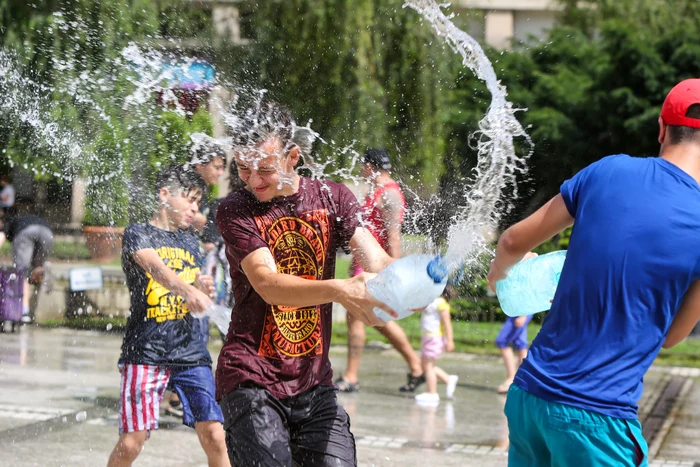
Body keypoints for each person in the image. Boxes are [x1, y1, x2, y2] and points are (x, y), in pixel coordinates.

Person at [486, 78, 700, 466]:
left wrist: (500, 278)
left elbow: (513, 243)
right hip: (598, 419)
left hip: (531, 395)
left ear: (661, 128)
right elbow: (670, 336)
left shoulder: (608, 171)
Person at [215, 100, 398, 466]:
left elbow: (379, 264)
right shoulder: (235, 208)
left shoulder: (333, 198)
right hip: (251, 378)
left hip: (314, 383)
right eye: (243, 168)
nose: (253, 180)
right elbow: (267, 283)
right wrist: (340, 290)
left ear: (292, 156)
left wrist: (436, 273)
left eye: (264, 169)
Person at [107, 165, 229, 467]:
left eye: (198, 202)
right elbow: (157, 270)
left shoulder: (190, 241)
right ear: (164, 195)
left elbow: (192, 287)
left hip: (190, 352)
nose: (195, 208)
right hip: (146, 352)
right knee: (132, 441)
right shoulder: (138, 233)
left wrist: (201, 287)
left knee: (215, 434)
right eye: (190, 199)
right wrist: (188, 290)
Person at [335, 148, 425, 394]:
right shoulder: (377, 192)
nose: (360, 169)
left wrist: (394, 273)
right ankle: (416, 366)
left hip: (375, 266)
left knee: (365, 316)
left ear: (369, 166)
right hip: (364, 263)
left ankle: (352, 376)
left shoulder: (390, 194)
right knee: (371, 318)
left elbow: (394, 237)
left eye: (362, 165)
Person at [165, 142, 227, 419]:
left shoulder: (194, 189)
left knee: (193, 326)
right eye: (217, 166)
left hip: (194, 261)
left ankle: (176, 395)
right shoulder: (183, 183)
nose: (221, 173)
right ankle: (174, 395)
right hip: (183, 263)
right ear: (200, 165)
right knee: (188, 326)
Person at [0, 214, 54, 323]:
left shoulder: (9, 223)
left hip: (26, 233)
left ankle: (24, 312)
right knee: (36, 267)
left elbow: (1, 238)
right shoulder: (25, 218)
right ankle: (43, 270)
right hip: (47, 232)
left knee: (22, 273)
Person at [414, 288, 459, 404]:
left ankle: (432, 393)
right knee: (426, 365)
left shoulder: (441, 303)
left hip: (434, 338)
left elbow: (447, 324)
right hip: (427, 337)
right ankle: (448, 379)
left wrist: (450, 340)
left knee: (428, 366)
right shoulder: (429, 301)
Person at [495, 315, 532, 394]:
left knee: (502, 341)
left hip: (520, 312)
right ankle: (524, 379)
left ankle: (511, 378)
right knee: (520, 344)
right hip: (518, 311)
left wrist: (523, 315)